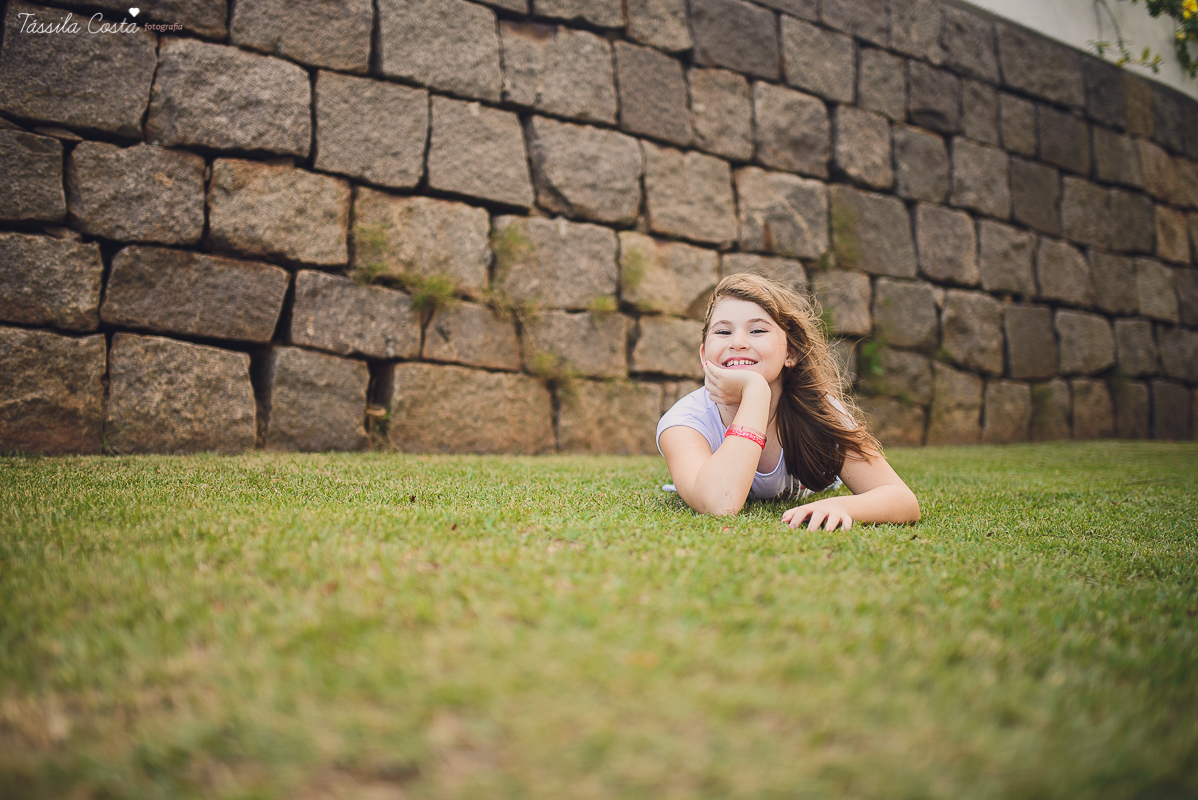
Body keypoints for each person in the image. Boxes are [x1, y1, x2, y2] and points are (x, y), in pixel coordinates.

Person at [656, 273, 920, 530]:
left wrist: (843, 506)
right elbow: (719, 504)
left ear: (790, 353)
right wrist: (755, 391)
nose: (737, 342)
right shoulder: (684, 422)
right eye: (723, 331)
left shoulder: (819, 410)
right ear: (704, 354)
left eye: (757, 330)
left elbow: (902, 499)